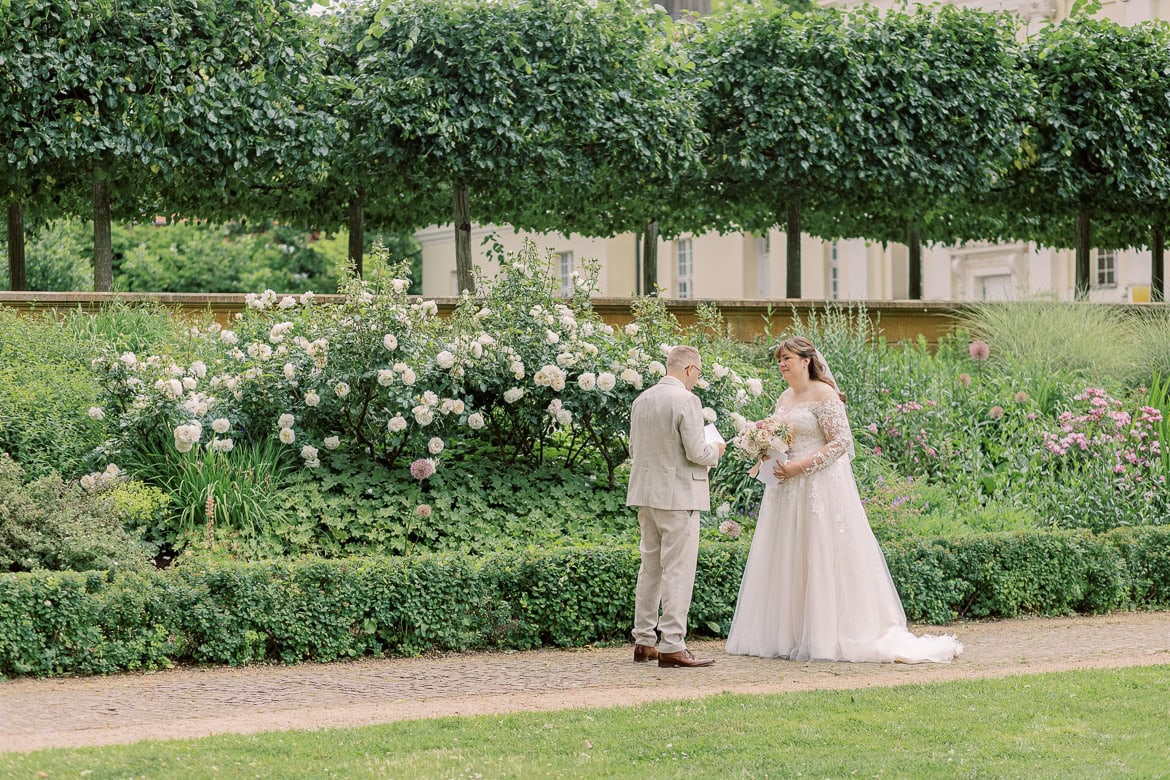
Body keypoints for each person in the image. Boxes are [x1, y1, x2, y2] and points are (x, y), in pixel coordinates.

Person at [726, 337, 963, 663]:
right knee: (787, 556)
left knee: (821, 553)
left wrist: (799, 466)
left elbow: (841, 442)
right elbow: (786, 437)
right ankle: (789, 634)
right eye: (779, 360)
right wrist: (763, 444)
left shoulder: (824, 395)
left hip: (818, 486)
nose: (782, 364)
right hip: (785, 488)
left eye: (788, 359)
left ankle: (827, 634)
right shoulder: (784, 397)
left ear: (806, 361)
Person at [626, 345, 726, 668]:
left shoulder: (641, 400)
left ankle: (643, 641)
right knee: (679, 570)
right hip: (679, 496)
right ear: (688, 369)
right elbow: (697, 451)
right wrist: (717, 450)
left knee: (650, 567)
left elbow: (633, 449)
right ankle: (672, 644)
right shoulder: (687, 400)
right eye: (698, 372)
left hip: (646, 495)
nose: (697, 379)